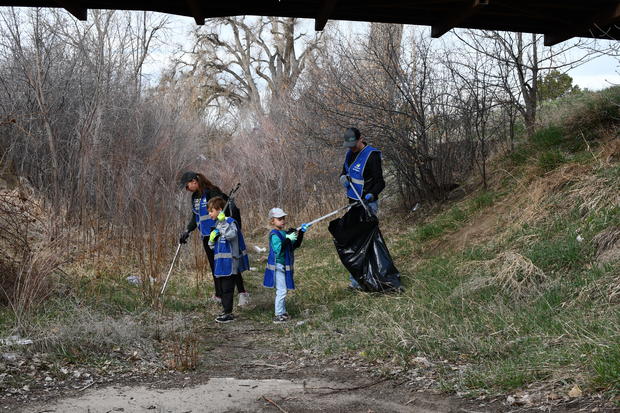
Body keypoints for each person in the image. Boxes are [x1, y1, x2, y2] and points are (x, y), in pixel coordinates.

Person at [178, 171, 250, 307]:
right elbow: (196, 216)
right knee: (215, 266)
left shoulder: (212, 191)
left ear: (194, 181)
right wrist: (188, 230)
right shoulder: (194, 197)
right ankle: (219, 294)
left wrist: (220, 228)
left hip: (221, 233)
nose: (186, 189)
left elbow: (222, 211)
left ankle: (242, 293)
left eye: (187, 186)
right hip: (207, 235)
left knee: (230, 263)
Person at [338, 127, 385, 289]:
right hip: (353, 204)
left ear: (361, 139)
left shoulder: (371, 155)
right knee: (355, 242)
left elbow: (380, 182)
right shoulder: (349, 154)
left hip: (367, 204)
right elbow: (344, 172)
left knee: (364, 242)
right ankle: (358, 280)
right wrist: (342, 178)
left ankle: (371, 278)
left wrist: (371, 194)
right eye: (348, 145)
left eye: (353, 144)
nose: (351, 148)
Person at [207, 196, 250, 323]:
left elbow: (231, 235)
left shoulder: (230, 222)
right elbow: (213, 247)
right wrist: (211, 239)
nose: (209, 215)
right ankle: (226, 310)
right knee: (222, 286)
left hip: (230, 262)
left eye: (211, 211)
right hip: (220, 264)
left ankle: (228, 313)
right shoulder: (217, 225)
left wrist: (224, 223)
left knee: (227, 288)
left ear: (220, 210)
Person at [263, 208, 309, 324]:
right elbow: (279, 250)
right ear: (272, 221)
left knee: (284, 290)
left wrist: (301, 233)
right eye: (279, 219)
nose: (282, 221)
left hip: (285, 265)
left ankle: (282, 313)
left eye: (283, 218)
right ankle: (278, 315)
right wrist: (287, 239)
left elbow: (295, 245)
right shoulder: (274, 234)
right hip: (277, 266)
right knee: (282, 290)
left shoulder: (284, 233)